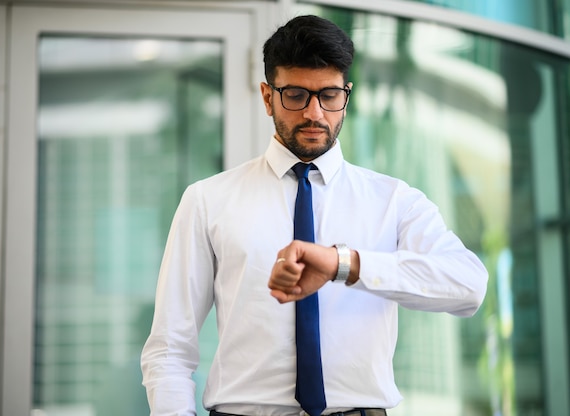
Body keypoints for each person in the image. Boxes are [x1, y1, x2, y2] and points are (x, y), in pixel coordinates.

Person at [141, 14, 488, 416]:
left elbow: (468, 287)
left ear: (347, 95)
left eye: (329, 95)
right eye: (295, 95)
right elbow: (169, 346)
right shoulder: (207, 200)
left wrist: (345, 264)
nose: (314, 113)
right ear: (267, 96)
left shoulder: (394, 200)